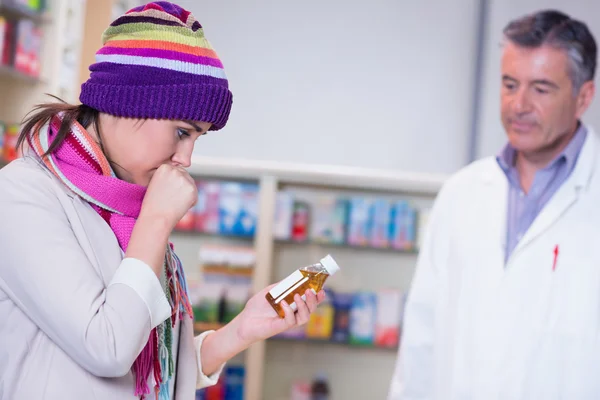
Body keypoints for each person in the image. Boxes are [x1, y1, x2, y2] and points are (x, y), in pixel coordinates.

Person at [0, 2, 325, 399]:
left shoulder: (129, 208)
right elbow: (108, 348)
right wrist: (155, 220)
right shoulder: (22, 195)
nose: (186, 159)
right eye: (182, 132)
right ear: (128, 102)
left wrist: (239, 330)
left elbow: (156, 369)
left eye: (197, 138)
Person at [388, 9, 600, 400]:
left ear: (583, 96)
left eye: (540, 89)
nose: (518, 105)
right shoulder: (461, 193)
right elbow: (421, 338)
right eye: (509, 84)